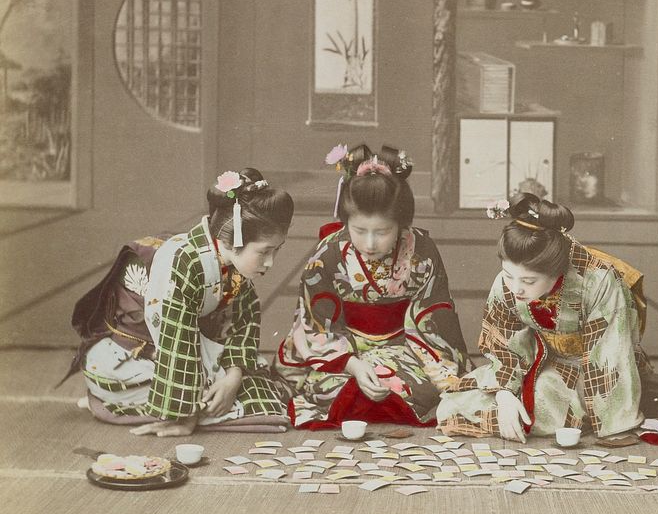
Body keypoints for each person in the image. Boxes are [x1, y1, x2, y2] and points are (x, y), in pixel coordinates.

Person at [68, 168, 293, 436]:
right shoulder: (183, 263)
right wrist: (185, 417)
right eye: (264, 252)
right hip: (141, 349)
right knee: (251, 397)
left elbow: (244, 319)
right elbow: (176, 340)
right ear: (232, 241)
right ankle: (114, 401)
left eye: (276, 250)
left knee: (248, 381)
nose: (270, 262)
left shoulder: (230, 260)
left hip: (191, 345)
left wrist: (233, 375)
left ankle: (136, 403)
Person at [273, 144, 471, 429]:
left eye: (382, 232)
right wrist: (353, 364)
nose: (369, 244)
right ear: (346, 221)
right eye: (359, 231)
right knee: (323, 388)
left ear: (401, 223)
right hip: (342, 350)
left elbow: (434, 317)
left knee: (417, 385)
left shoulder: (422, 252)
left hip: (405, 344)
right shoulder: (327, 255)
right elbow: (315, 325)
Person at [437, 193, 648, 442]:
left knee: (542, 399)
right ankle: (515, 414)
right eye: (508, 275)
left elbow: (611, 353)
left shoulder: (599, 281)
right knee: (453, 403)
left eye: (528, 281)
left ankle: (542, 416)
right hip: (534, 359)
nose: (516, 288)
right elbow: (504, 345)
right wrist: (505, 395)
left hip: (588, 366)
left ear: (556, 271)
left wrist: (614, 424)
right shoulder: (507, 285)